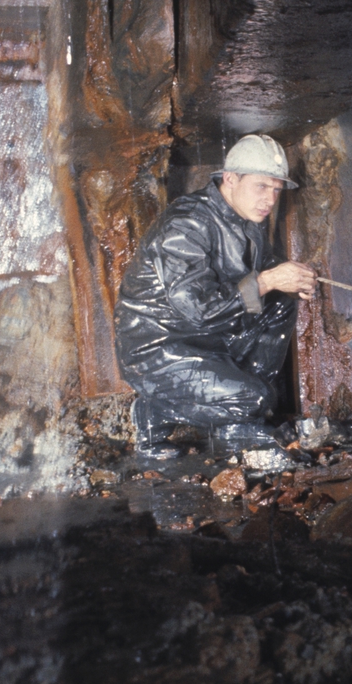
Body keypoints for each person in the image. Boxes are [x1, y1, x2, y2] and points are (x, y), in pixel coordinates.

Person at [115, 134, 317, 458]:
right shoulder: (187, 223)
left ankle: (238, 418)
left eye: (276, 189)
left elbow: (260, 274)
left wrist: (290, 279)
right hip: (160, 347)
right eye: (261, 186)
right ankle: (154, 413)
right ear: (230, 179)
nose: (269, 199)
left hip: (208, 337)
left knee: (282, 301)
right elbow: (198, 309)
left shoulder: (246, 217)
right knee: (256, 397)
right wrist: (267, 280)